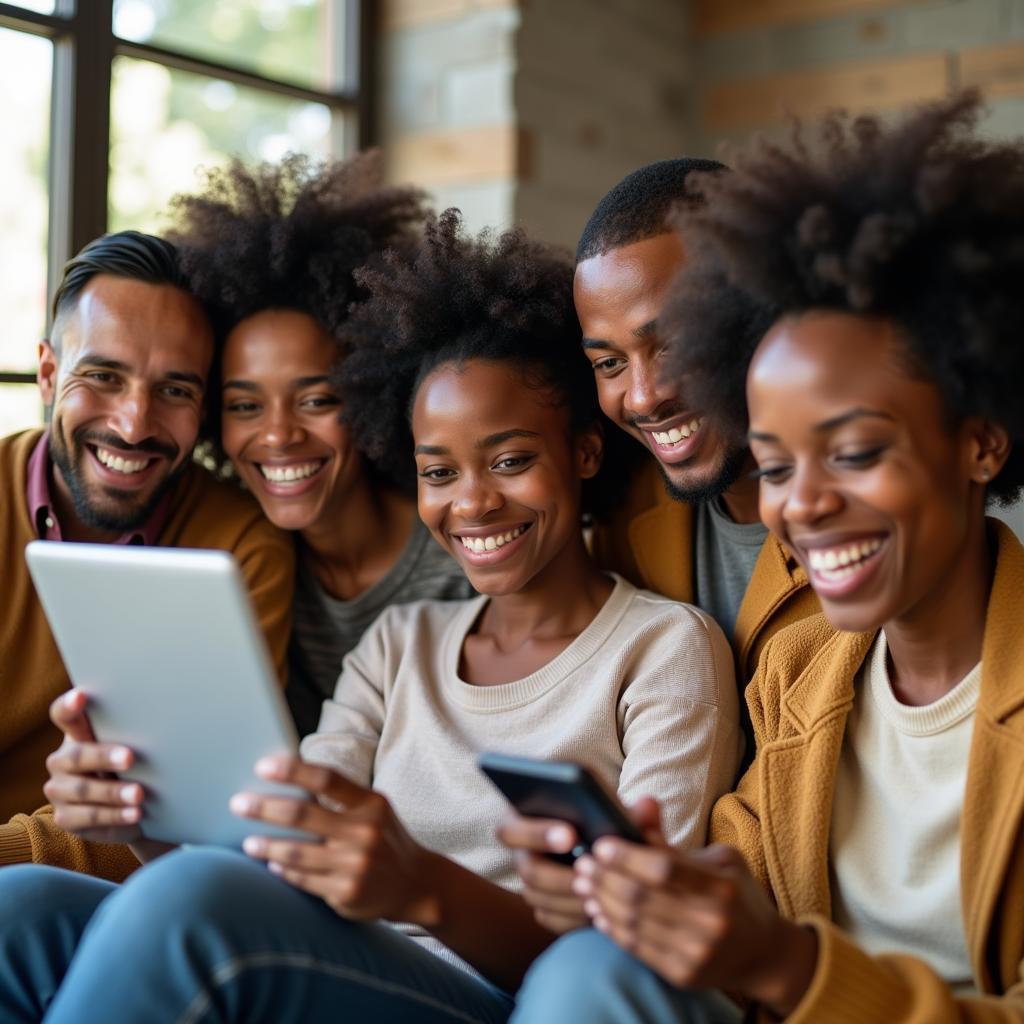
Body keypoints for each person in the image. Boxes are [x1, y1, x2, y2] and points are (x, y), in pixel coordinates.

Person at [0, 211, 739, 1023]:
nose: (474, 500)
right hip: (347, 961)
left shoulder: (663, 648)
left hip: (508, 992)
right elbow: (273, 847)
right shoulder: (399, 645)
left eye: (511, 460)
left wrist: (425, 889)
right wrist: (139, 814)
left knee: (197, 903)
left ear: (585, 454)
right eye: (438, 471)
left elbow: (636, 954)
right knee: (21, 905)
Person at [511, 91, 1024, 1022]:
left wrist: (787, 969)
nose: (804, 504)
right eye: (779, 463)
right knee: (588, 975)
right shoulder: (802, 672)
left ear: (982, 443)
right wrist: (637, 890)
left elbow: (778, 953)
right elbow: (741, 870)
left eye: (856, 452)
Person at [0, 231, 294, 880]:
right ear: (49, 374)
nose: (134, 425)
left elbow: (195, 805)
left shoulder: (241, 549)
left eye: (175, 391)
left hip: (112, 899)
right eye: (103, 377)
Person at [169, 153, 473, 736]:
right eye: (244, 406)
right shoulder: (240, 564)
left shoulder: (463, 553)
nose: (279, 435)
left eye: (316, 400)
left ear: (374, 396)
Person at [578, 159, 819, 686]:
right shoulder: (624, 522)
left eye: (677, 342)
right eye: (610, 363)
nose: (644, 398)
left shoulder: (868, 520)